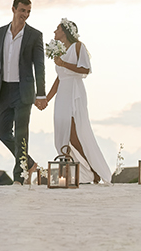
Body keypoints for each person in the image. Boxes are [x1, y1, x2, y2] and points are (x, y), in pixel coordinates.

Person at [0, 0, 47, 184]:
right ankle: (30, 164)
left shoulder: (35, 35)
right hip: (4, 90)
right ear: (13, 9)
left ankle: (19, 177)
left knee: (21, 135)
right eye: (22, 10)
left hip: (23, 91)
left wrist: (41, 94)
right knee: (3, 134)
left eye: (28, 11)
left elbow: (39, 66)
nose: (25, 14)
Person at [46, 19, 112, 184]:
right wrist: (47, 98)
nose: (54, 31)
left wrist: (63, 63)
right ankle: (74, 171)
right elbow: (59, 77)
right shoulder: (59, 50)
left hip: (74, 91)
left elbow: (85, 69)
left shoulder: (78, 46)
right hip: (62, 94)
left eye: (57, 28)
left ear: (65, 31)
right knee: (62, 131)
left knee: (74, 134)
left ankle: (93, 170)